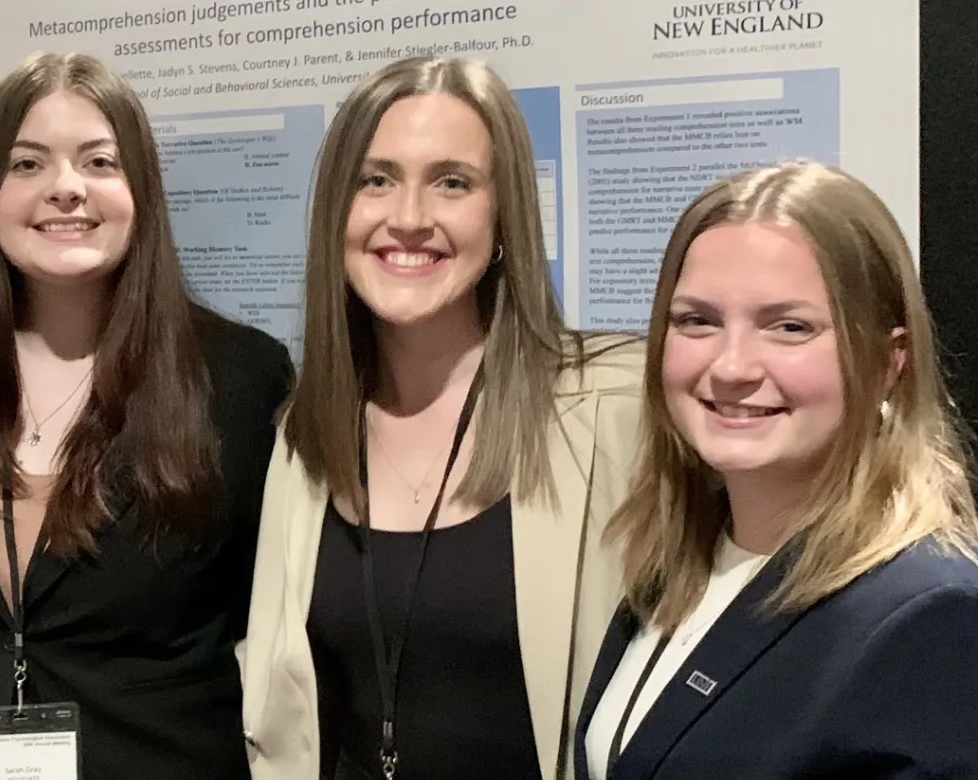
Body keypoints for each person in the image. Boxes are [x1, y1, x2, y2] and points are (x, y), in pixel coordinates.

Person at [0, 52, 293, 780]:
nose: (65, 189)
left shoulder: (238, 378)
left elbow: (263, 612)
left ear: (140, 191)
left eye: (99, 162)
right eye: (27, 165)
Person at [236, 56, 646, 780]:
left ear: (502, 219)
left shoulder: (613, 409)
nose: (410, 218)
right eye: (377, 179)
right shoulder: (307, 434)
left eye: (452, 182)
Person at [575, 161, 978, 779]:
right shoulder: (680, 567)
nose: (732, 366)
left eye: (789, 327)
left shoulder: (931, 617)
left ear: (887, 362)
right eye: (697, 321)